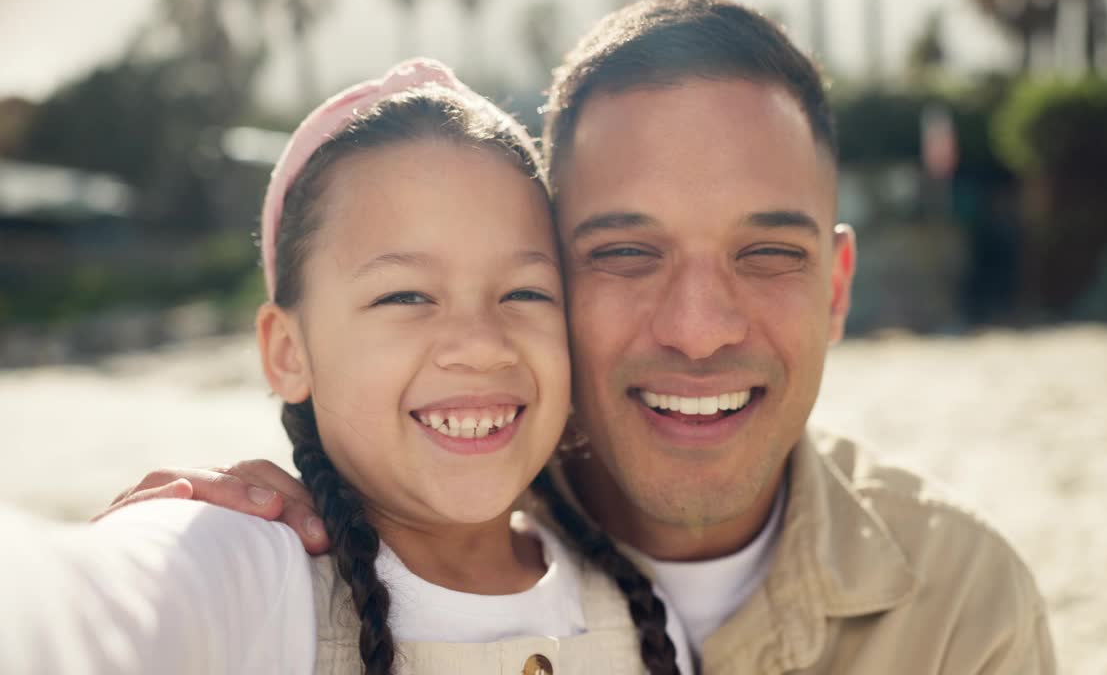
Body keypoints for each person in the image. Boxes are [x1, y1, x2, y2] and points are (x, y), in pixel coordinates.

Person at [104, 0, 1056, 673]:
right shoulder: (273, 563)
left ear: (839, 286)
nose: (696, 330)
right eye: (627, 253)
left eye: (767, 253)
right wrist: (176, 540)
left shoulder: (962, 609)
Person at [3, 58, 693, 675]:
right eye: (406, 295)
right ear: (287, 352)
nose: (482, 344)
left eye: (525, 293)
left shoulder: (645, 613)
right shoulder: (241, 570)